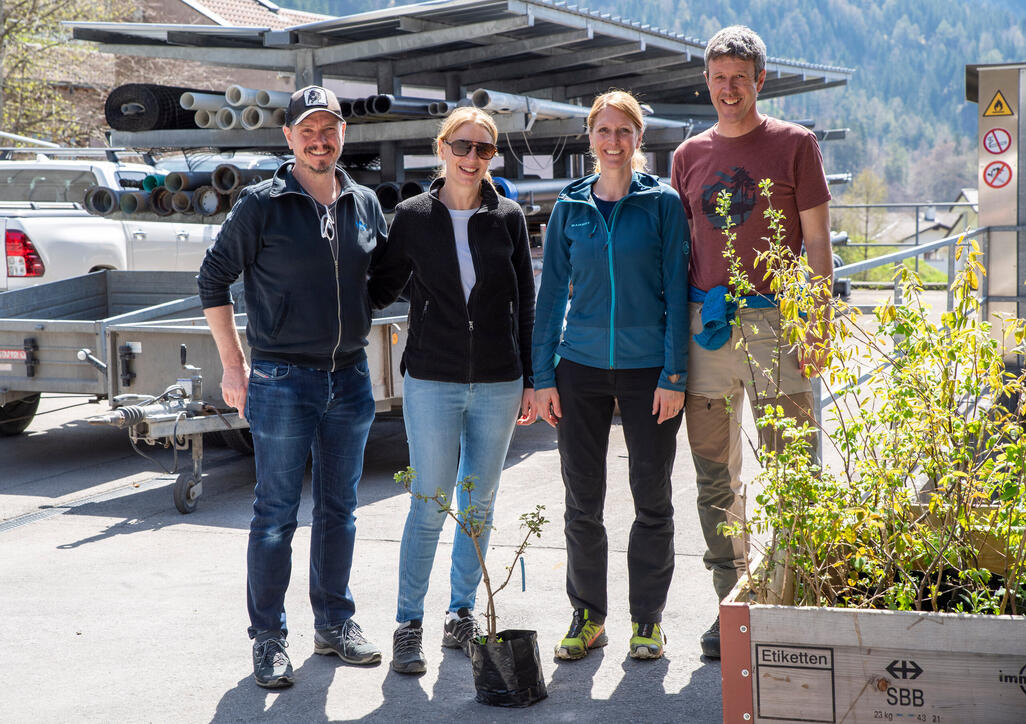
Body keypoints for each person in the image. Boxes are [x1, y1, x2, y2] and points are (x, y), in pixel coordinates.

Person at [197, 85, 409, 688]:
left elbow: (380, 279)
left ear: (343, 134)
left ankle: (334, 623)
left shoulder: (364, 202)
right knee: (274, 515)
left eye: (330, 129)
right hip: (282, 378)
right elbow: (212, 280)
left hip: (349, 378)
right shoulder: (262, 205)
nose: (320, 140)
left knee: (341, 510)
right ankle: (268, 639)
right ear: (287, 138)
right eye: (307, 131)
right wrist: (234, 365)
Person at [670, 25, 833, 659]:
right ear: (706, 83)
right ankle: (729, 604)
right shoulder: (688, 156)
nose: (728, 89)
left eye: (740, 78)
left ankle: (791, 594)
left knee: (793, 467)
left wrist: (815, 320)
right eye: (718, 79)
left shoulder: (796, 146)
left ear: (760, 80)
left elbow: (817, 241)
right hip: (707, 325)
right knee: (716, 477)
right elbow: (683, 249)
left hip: (777, 323)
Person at [533, 90, 690, 661]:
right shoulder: (569, 207)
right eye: (604, 131)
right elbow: (550, 295)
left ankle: (647, 621)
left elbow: (676, 290)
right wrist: (543, 374)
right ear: (590, 138)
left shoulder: (662, 204)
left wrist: (674, 375)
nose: (613, 141)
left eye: (624, 131)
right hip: (580, 369)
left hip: (649, 369)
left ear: (638, 139)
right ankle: (587, 617)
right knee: (583, 500)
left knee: (652, 497)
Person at [384, 107, 537, 674]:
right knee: (429, 502)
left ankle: (462, 612)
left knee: (479, 504)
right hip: (432, 379)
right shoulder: (412, 217)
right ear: (443, 148)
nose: (473, 158)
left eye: (485, 149)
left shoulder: (509, 218)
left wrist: (532, 378)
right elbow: (377, 286)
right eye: (463, 146)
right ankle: (408, 623)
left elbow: (526, 300)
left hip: (500, 381)